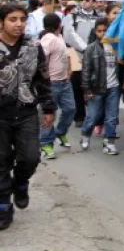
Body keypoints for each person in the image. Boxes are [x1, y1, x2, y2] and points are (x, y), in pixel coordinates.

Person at [0, 3, 55, 230]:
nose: (18, 24)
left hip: (26, 112)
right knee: (1, 162)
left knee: (30, 157)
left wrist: (49, 107)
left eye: (22, 19)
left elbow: (42, 78)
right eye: (12, 19)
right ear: (1, 22)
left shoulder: (34, 46)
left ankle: (21, 182)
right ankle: (4, 207)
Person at [79, 18, 121, 155]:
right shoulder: (91, 49)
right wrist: (86, 89)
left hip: (114, 86)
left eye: (105, 30)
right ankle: (85, 134)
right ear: (95, 32)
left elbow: (122, 65)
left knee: (112, 116)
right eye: (99, 31)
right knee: (92, 116)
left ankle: (109, 142)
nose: (102, 33)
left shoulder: (116, 46)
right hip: (96, 87)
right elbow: (85, 70)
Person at [38, 14, 75, 160]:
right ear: (58, 24)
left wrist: (68, 70)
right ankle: (46, 143)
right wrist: (43, 79)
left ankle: (60, 132)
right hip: (51, 83)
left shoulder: (59, 37)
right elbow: (41, 58)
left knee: (70, 109)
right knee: (49, 115)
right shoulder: (48, 39)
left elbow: (66, 56)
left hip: (65, 82)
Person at [62, 0, 100, 127]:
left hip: (96, 55)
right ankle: (80, 116)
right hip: (77, 56)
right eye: (82, 0)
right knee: (77, 85)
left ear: (94, 3)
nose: (84, 3)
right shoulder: (72, 16)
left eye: (87, 0)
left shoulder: (100, 17)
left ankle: (96, 116)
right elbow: (68, 34)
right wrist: (85, 48)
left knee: (95, 85)